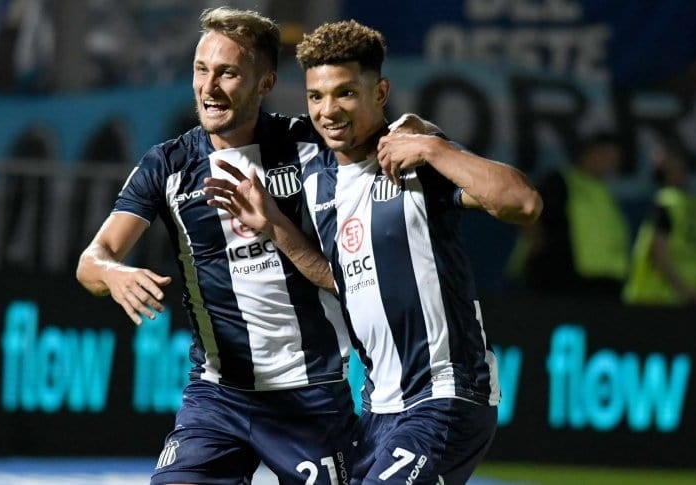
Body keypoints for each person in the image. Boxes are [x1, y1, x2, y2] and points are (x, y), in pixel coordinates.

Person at [204, 20, 542, 485]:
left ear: (380, 92)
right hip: (378, 409)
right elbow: (339, 279)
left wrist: (434, 146)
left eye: (345, 93)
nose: (328, 110)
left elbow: (523, 203)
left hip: (446, 395)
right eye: (316, 96)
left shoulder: (416, 159)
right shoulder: (317, 180)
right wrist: (276, 227)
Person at [77, 7, 392, 485]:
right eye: (201, 70)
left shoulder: (310, 146)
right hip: (217, 397)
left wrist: (421, 137)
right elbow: (92, 260)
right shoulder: (168, 165)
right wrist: (114, 273)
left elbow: (383, 140)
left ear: (265, 83)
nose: (210, 87)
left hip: (311, 396)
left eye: (227, 73)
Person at [509, 132, 630, 297]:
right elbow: (524, 209)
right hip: (562, 280)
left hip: (603, 281)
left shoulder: (605, 192)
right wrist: (541, 248)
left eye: (614, 159)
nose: (610, 164)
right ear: (589, 153)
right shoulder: (560, 180)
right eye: (605, 156)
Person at [622, 142, 696, 305]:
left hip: (657, 297)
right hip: (693, 298)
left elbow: (660, 252)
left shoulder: (666, 202)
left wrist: (686, 292)